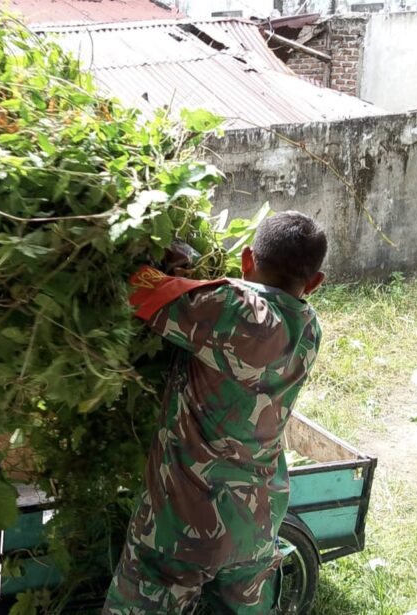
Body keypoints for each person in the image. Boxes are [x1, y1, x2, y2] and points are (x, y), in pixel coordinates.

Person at [103, 211, 327, 614]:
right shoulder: (309, 328)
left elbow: (139, 288)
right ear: (314, 283)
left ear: (246, 260)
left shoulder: (230, 309)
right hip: (256, 524)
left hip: (183, 526)